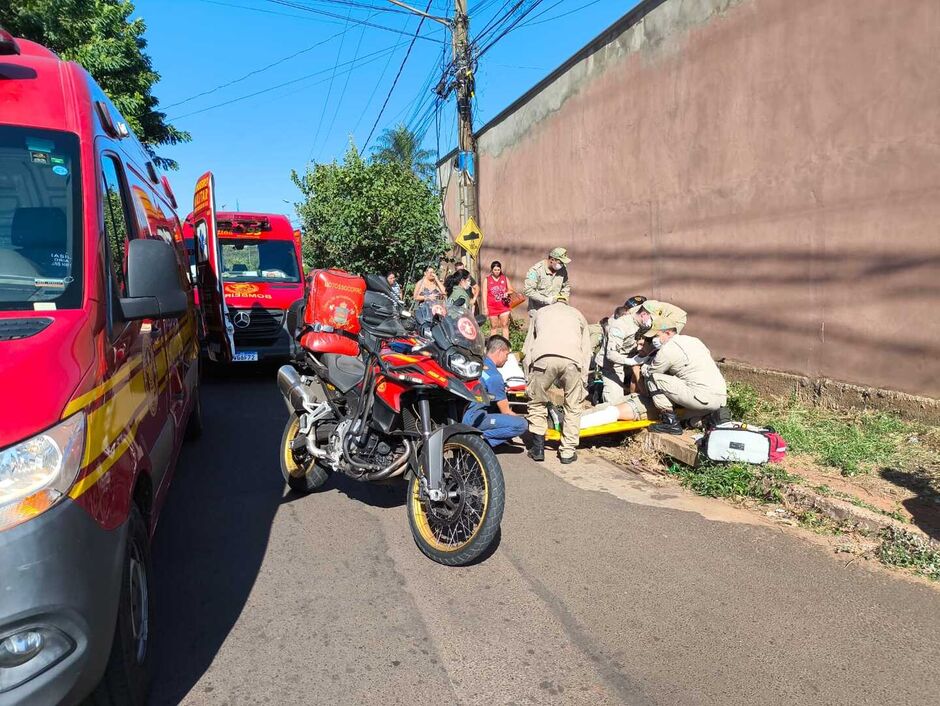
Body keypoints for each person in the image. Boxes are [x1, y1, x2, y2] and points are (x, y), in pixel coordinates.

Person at [522, 293, 593, 464]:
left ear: (552, 301)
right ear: (567, 303)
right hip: (572, 361)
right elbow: (587, 351)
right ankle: (567, 452)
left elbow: (528, 347)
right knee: (573, 405)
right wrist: (583, 379)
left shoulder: (540, 313)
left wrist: (528, 377)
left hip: (543, 359)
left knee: (537, 402)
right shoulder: (578, 315)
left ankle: (538, 448)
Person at [640, 318, 728, 434]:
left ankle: (670, 422)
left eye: (655, 336)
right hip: (721, 398)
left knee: (653, 378)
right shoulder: (694, 340)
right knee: (684, 416)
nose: (653, 341)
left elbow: (651, 372)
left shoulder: (667, 349)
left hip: (700, 397)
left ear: (668, 333)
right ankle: (707, 419)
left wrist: (643, 365)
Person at [462, 335, 528, 447]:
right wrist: (526, 420)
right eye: (506, 354)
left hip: (461, 412)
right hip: (474, 417)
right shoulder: (494, 376)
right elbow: (506, 411)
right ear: (499, 351)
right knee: (521, 424)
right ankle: (479, 442)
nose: (507, 359)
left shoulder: (476, 363)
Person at [523, 247, 571, 313]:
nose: (562, 265)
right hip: (537, 310)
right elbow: (528, 290)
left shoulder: (562, 270)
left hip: (555, 309)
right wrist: (546, 300)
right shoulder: (535, 271)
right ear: (552, 260)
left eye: (563, 263)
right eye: (560, 262)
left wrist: (563, 299)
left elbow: (566, 286)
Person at [484, 260, 515, 339]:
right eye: (495, 270)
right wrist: (485, 308)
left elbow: (511, 290)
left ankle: (506, 344)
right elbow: (484, 294)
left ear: (500, 269)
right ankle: (493, 345)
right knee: (494, 326)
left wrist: (507, 293)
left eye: (498, 270)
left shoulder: (504, 278)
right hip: (492, 307)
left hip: (503, 306)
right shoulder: (487, 280)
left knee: (504, 325)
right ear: (491, 270)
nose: (497, 271)